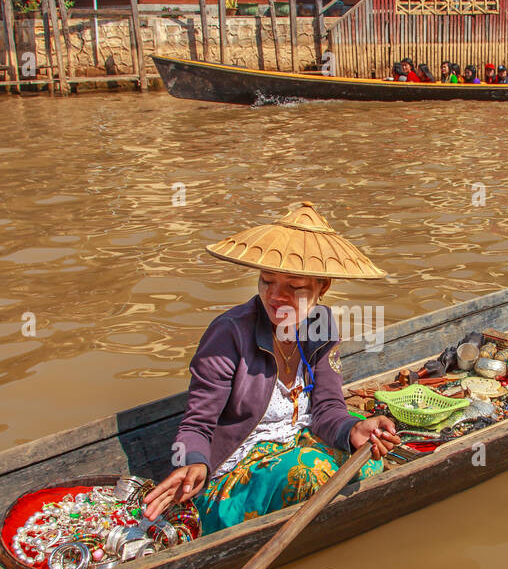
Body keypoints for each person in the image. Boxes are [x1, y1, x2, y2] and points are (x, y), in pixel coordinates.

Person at [143, 203, 400, 533]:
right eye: (267, 281)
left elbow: (327, 408)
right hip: (234, 476)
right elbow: (197, 424)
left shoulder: (321, 325)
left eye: (294, 287)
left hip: (296, 446)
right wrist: (193, 462)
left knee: (367, 457)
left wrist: (351, 429)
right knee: (311, 470)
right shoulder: (229, 333)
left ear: (323, 287)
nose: (276, 297)